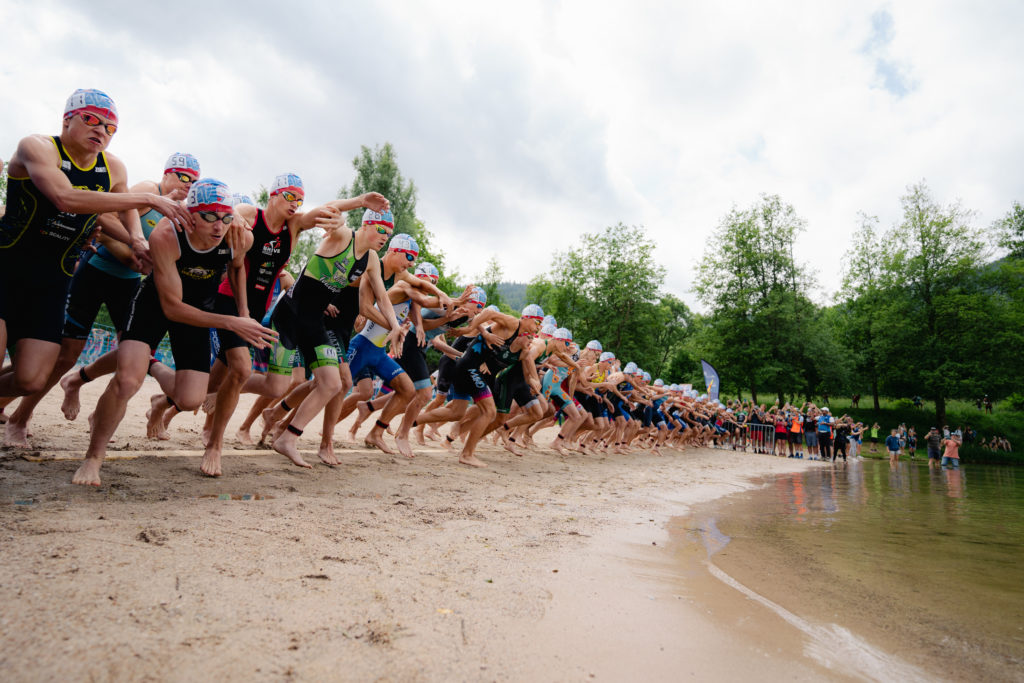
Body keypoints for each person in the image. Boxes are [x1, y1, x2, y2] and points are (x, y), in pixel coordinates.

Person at [71, 178, 276, 486]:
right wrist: (231, 322)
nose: (218, 226)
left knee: (191, 399)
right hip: (156, 305)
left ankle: (150, 363)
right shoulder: (167, 234)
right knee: (127, 381)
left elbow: (236, 268)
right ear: (189, 214)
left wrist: (244, 313)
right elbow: (173, 308)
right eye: (209, 216)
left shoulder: (238, 236)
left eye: (225, 217)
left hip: (198, 309)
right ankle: (93, 458)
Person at [1, 89, 190, 403]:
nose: (101, 130)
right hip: (8, 267)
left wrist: (137, 240)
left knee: (30, 379)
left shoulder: (114, 167)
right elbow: (65, 198)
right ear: (66, 120)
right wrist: (147, 198)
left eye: (110, 127)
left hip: (53, 279)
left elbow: (125, 209)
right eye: (91, 120)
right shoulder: (38, 147)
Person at [1, 153, 201, 447]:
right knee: (64, 355)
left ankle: (78, 383)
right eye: (184, 177)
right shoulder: (149, 191)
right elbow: (101, 217)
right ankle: (19, 417)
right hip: (95, 273)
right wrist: (131, 251)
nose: (188, 184)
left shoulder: (178, 210)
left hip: (129, 284)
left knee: (131, 354)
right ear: (167, 173)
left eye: (194, 181)